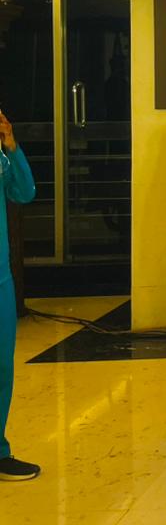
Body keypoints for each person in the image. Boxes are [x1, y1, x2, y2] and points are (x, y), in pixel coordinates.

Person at [0, 108, 38, 481]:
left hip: (0, 279)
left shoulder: (1, 154)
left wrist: (10, 145)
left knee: (1, 367)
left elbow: (24, 192)